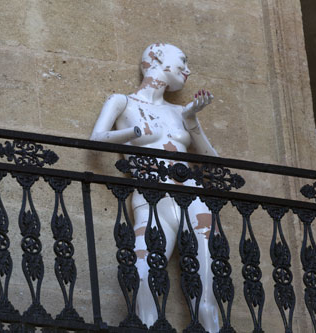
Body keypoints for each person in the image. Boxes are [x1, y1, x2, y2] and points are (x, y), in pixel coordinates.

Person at [90, 43, 220, 331]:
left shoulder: (180, 111)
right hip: (151, 196)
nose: (188, 70)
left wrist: (192, 121)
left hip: (192, 196)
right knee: (144, 277)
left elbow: (214, 163)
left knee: (208, 287)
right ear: (158, 58)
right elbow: (96, 138)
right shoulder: (123, 102)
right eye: (182, 61)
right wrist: (134, 132)